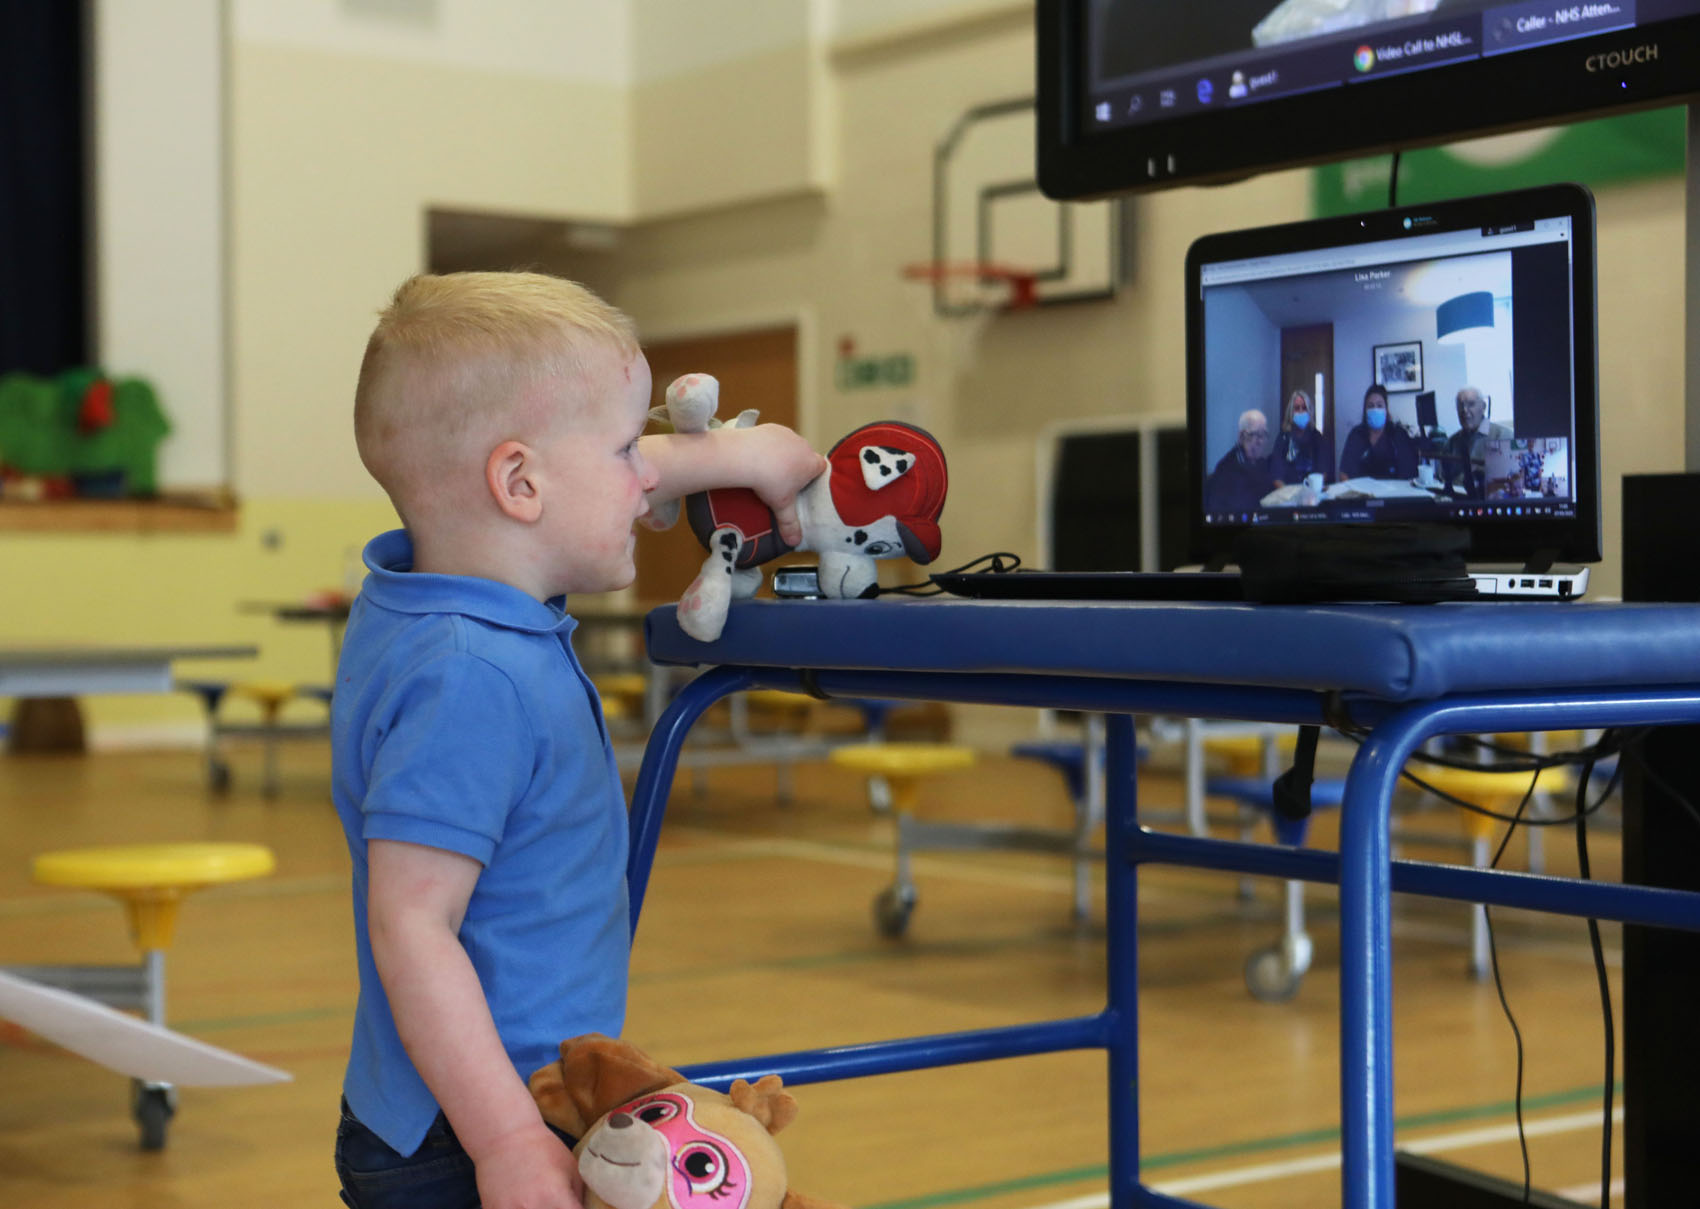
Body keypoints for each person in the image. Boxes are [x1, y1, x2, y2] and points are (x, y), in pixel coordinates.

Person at [333, 271, 826, 1209]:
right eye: (622, 449)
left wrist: (738, 450)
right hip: (463, 1129)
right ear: (520, 483)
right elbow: (412, 923)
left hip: (482, 1100)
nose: (647, 476)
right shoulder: (469, 676)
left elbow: (557, 481)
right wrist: (510, 1141)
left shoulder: (456, 591)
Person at [1441, 386, 1511, 497]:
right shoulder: (1451, 442)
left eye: (1471, 404)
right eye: (1460, 406)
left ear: (1483, 407)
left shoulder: (1503, 436)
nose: (1464, 410)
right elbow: (1443, 479)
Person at [1337, 383, 1417, 481]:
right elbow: (1344, 473)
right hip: (1362, 494)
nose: (1375, 409)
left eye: (1379, 405)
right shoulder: (1356, 435)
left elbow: (1409, 475)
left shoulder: (1398, 435)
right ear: (1365, 411)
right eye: (1370, 406)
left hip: (1394, 494)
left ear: (1386, 410)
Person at [1204, 407, 1275, 514]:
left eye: (1264, 435)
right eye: (1257, 435)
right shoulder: (1226, 470)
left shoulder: (1261, 463)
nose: (1261, 442)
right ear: (1242, 437)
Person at [1269, 388, 1334, 487]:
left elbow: (1323, 470)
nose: (1300, 411)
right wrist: (1288, 494)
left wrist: (1313, 490)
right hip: (1287, 493)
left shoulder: (1318, 438)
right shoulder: (1283, 438)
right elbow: (1276, 474)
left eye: (1304, 408)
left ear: (1309, 411)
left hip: (1312, 493)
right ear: (1291, 412)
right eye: (1297, 408)